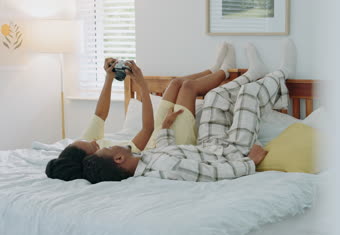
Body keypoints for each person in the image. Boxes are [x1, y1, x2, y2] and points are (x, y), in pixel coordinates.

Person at [81, 40, 296, 183]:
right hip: (233, 152)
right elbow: (213, 174)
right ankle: (283, 72)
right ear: (119, 158)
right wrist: (250, 162)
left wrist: (165, 129)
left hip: (209, 144)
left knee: (214, 96)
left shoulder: (145, 160)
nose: (117, 143)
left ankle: (254, 72)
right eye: (111, 149)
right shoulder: (167, 169)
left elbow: (170, 149)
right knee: (248, 95)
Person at [45, 42, 236, 181]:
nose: (93, 140)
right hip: (168, 144)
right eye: (91, 145)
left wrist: (109, 78)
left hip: (159, 133)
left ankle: (213, 69)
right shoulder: (115, 158)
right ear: (90, 158)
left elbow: (100, 114)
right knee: (187, 88)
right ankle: (227, 71)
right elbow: (147, 128)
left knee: (175, 83)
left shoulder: (93, 146)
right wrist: (142, 84)